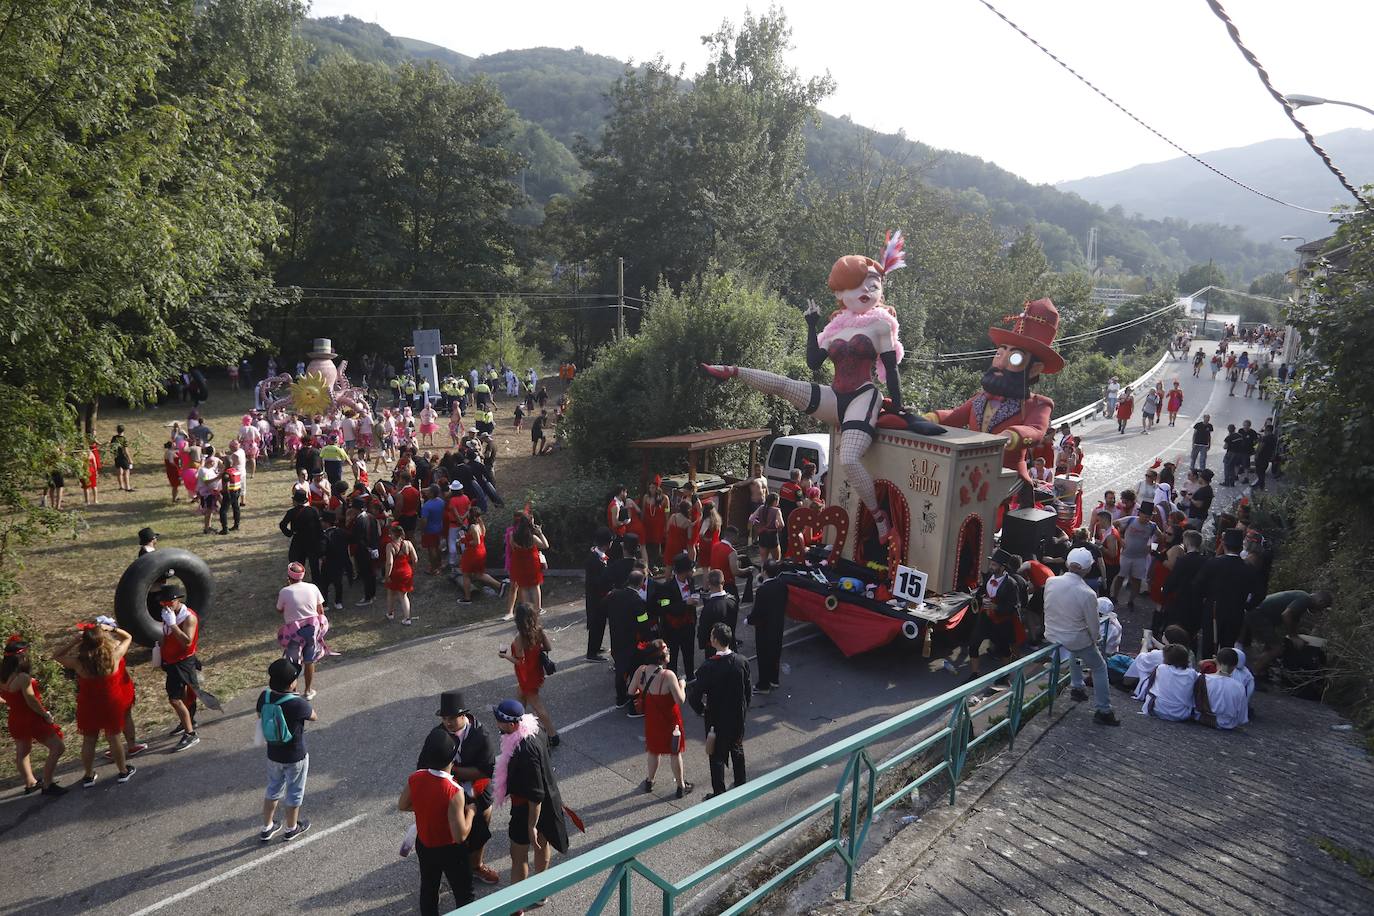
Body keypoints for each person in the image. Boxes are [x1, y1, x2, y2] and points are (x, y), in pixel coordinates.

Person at [491, 698, 570, 896]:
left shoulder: (525, 751)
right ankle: (540, 893)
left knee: (518, 855)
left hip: (528, 808)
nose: (497, 724)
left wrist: (531, 825)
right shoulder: (536, 728)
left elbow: (536, 795)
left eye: (500, 721)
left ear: (512, 724)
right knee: (542, 846)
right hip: (549, 801)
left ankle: (517, 904)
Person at [400, 727, 478, 914]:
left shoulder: (416, 777)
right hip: (450, 850)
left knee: (429, 888)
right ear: (452, 759)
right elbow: (460, 835)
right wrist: (471, 813)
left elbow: (403, 805)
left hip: (425, 845)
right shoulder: (453, 791)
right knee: (464, 893)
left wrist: (428, 809)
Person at [52, 621, 137, 785]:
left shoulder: (79, 662)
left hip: (88, 705)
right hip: (111, 703)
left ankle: (89, 775)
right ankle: (122, 771)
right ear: (102, 641)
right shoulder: (114, 656)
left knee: (89, 740)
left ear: (85, 642)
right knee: (114, 737)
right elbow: (128, 637)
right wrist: (111, 628)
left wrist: (75, 640)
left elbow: (56, 656)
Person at [1043, 547, 1119, 726]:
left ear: (1068, 563)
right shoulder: (1088, 593)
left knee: (1076, 653)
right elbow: (1093, 626)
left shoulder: (1051, 581)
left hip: (1052, 633)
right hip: (1075, 638)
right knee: (1099, 667)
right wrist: (1095, 639)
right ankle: (1103, 709)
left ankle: (1077, 687)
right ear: (1087, 569)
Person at [431, 691, 500, 886]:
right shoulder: (438, 734)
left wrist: (454, 770)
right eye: (445, 718)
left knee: (482, 824)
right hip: (449, 791)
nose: (448, 722)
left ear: (464, 715)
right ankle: (455, 868)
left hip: (477, 790)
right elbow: (425, 763)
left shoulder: (480, 734)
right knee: (453, 833)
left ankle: (476, 865)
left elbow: (486, 770)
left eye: (452, 718)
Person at [687, 623, 752, 799]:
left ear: (715, 640)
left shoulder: (708, 667)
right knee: (737, 749)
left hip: (715, 718)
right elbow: (748, 692)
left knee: (716, 755)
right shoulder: (742, 662)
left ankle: (719, 792)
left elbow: (694, 696)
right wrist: (744, 711)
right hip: (737, 717)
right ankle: (740, 782)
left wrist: (701, 710)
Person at [257, 658, 316, 841]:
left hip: (273, 754)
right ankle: (292, 828)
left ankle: (267, 827)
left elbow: (260, 714)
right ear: (292, 683)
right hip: (295, 755)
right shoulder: (296, 703)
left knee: (273, 789)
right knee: (294, 791)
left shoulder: (264, 696)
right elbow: (314, 716)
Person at [2, 636, 67, 795]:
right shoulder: (23, 678)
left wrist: (8, 701)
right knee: (58, 747)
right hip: (30, 718)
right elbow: (31, 701)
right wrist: (45, 714)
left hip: (15, 718)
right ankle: (47, 783)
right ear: (22, 657)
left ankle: (30, 783)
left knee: (23, 751)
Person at [629, 639, 693, 798]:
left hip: (652, 719)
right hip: (670, 720)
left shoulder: (641, 670)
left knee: (653, 750)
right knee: (674, 752)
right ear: (661, 658)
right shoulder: (668, 675)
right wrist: (682, 685)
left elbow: (631, 691)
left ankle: (649, 781)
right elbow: (680, 700)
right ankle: (681, 786)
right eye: (667, 651)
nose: (669, 652)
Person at [156, 583, 217, 750]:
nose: (165, 606)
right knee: (182, 695)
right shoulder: (169, 613)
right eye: (163, 603)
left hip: (183, 661)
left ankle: (190, 734)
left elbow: (187, 641)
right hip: (172, 660)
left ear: (177, 600)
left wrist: (173, 625)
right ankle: (187, 722)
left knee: (174, 699)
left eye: (168, 603)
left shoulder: (188, 617)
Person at [500, 602, 558, 747]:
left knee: (537, 706)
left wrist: (505, 655)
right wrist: (536, 650)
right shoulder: (539, 630)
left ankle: (552, 735)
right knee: (520, 697)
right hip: (536, 672)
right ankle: (514, 725)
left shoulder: (519, 638)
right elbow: (548, 647)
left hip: (526, 675)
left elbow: (520, 662)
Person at [1242, 589, 1333, 680]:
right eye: (1322, 608)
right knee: (1277, 649)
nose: (1320, 611)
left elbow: (1293, 621)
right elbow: (1286, 615)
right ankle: (1253, 676)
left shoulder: (1302, 598)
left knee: (1271, 645)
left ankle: (1261, 670)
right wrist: (1293, 636)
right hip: (1257, 615)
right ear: (1321, 602)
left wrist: (1296, 636)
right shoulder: (1305, 599)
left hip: (1257, 612)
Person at [1195, 528, 1258, 658]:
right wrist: (1246, 606)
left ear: (1224, 545)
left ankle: (1207, 673)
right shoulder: (1248, 568)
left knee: (1209, 647)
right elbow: (1258, 593)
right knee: (1227, 648)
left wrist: (1205, 599)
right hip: (1236, 612)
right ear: (1240, 548)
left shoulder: (1213, 563)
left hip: (1213, 609)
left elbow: (1197, 585)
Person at [276, 562, 325, 699]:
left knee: (293, 662)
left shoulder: (285, 591)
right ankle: (308, 691)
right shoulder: (313, 587)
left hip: (294, 632)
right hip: (312, 628)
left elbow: (279, 609)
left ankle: (293, 691)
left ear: (289, 577)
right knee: (309, 659)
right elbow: (320, 609)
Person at [653, 554, 700, 683]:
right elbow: (665, 607)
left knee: (689, 653)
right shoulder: (666, 587)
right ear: (684, 571)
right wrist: (685, 603)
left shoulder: (691, 581)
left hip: (688, 624)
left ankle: (691, 677)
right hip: (673, 628)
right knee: (672, 656)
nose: (693, 571)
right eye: (691, 569)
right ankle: (672, 681)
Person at [748, 561, 788, 693]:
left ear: (764, 572)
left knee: (763, 655)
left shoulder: (763, 590)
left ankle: (763, 684)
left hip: (765, 628)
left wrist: (748, 620)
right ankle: (774, 679)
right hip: (777, 625)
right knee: (775, 653)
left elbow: (757, 612)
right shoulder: (782, 585)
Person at [1111, 501, 1158, 613]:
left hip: (1140, 558)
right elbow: (1114, 525)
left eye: (1149, 516)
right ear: (1140, 514)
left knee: (1136, 580)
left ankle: (1131, 601)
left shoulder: (1152, 526)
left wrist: (1153, 547)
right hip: (1125, 555)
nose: (1147, 518)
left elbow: (1160, 537)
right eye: (1145, 516)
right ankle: (1114, 597)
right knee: (1120, 577)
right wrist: (1120, 539)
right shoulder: (1130, 520)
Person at [1122, 624, 1192, 692]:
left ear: (1167, 639)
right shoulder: (1188, 655)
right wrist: (1152, 639)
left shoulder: (1160, 655)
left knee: (1140, 662)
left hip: (1156, 690)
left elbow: (1142, 658)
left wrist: (1145, 644)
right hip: (1176, 690)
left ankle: (1127, 682)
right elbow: (1167, 648)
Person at [1196, 648, 1249, 730]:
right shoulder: (1240, 687)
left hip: (1203, 718)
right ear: (1234, 667)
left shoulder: (1203, 678)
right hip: (1228, 724)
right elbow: (1242, 718)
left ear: (1217, 661)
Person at [1140, 644, 1196, 722]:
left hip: (1159, 709)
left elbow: (1150, 686)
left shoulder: (1161, 668)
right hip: (1182, 714)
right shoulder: (1192, 673)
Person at [508, 513, 550, 614]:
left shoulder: (512, 535)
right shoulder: (532, 537)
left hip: (519, 562)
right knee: (535, 586)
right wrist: (540, 533)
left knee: (523, 586)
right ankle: (538, 608)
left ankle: (528, 609)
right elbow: (545, 545)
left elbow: (512, 547)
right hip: (532, 562)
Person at [280, 490, 324, 584]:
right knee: (314, 567)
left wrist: (290, 533)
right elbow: (319, 527)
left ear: (295, 501)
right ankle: (317, 585)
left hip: (298, 541)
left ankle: (296, 583)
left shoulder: (291, 512)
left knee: (297, 565)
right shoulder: (313, 510)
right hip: (312, 541)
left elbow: (282, 525)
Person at [583, 527, 612, 659]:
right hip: (595, 597)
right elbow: (595, 580)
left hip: (601, 596)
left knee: (600, 624)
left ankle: (596, 646)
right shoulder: (593, 559)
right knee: (596, 624)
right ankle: (591, 652)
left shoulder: (598, 556)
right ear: (607, 543)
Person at [697, 570, 739, 659]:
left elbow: (703, 631)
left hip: (714, 651)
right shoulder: (732, 600)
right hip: (731, 645)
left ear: (709, 583)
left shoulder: (708, 607)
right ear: (723, 582)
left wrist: (703, 643)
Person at [384, 520, 418, 625]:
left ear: (394, 534)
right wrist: (413, 570)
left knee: (391, 593)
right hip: (407, 571)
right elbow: (415, 558)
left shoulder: (390, 546)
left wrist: (387, 575)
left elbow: (389, 563)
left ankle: (390, 613)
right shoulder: (408, 543)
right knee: (404, 595)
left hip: (395, 572)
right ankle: (407, 617)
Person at [351, 497, 380, 607]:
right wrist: (374, 547)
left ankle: (368, 597)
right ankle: (372, 594)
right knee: (371, 573)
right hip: (372, 548)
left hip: (363, 551)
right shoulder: (371, 516)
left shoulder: (359, 520)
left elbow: (358, 538)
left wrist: (367, 548)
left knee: (366, 573)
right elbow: (376, 534)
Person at [420, 485, 447, 575]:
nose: (426, 492)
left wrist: (422, 530)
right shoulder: (441, 502)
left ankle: (433, 568)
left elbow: (424, 520)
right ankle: (439, 564)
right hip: (439, 527)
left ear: (431, 493)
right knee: (438, 546)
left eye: (429, 491)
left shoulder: (427, 506)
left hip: (430, 530)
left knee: (431, 549)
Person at [110, 424, 134, 492]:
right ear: (124, 430)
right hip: (123, 457)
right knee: (126, 471)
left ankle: (121, 486)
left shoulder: (114, 438)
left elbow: (111, 447)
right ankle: (128, 487)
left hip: (116, 457)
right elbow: (125, 450)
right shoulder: (124, 439)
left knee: (119, 471)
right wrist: (130, 459)